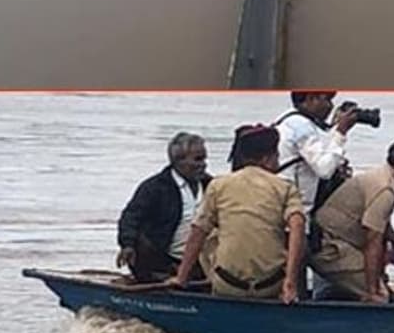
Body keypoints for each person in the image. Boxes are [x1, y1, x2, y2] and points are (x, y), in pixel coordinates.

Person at [168, 125, 304, 304]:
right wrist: (290, 282)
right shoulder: (285, 187)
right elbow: (298, 226)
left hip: (228, 285)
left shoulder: (218, 185)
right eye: (277, 156)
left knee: (211, 234)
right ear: (267, 159)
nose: (278, 162)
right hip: (271, 285)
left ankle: (208, 283)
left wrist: (181, 278)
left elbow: (198, 231)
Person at [311, 137, 394, 302]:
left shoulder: (385, 178)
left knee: (381, 286)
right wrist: (373, 291)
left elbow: (381, 222)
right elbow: (373, 240)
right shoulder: (385, 189)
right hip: (329, 246)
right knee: (381, 296)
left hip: (338, 240)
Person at [115, 133, 212, 283]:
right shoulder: (154, 187)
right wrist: (127, 244)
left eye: (204, 159)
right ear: (178, 161)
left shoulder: (211, 187)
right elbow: (131, 217)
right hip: (162, 259)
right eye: (198, 159)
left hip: (201, 261)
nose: (203, 164)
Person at [273, 91, 358, 213]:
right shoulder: (301, 127)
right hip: (293, 213)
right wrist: (341, 131)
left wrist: (335, 126)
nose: (331, 106)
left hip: (281, 203)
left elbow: (319, 153)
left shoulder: (288, 120)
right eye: (327, 99)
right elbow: (325, 169)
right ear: (311, 98)